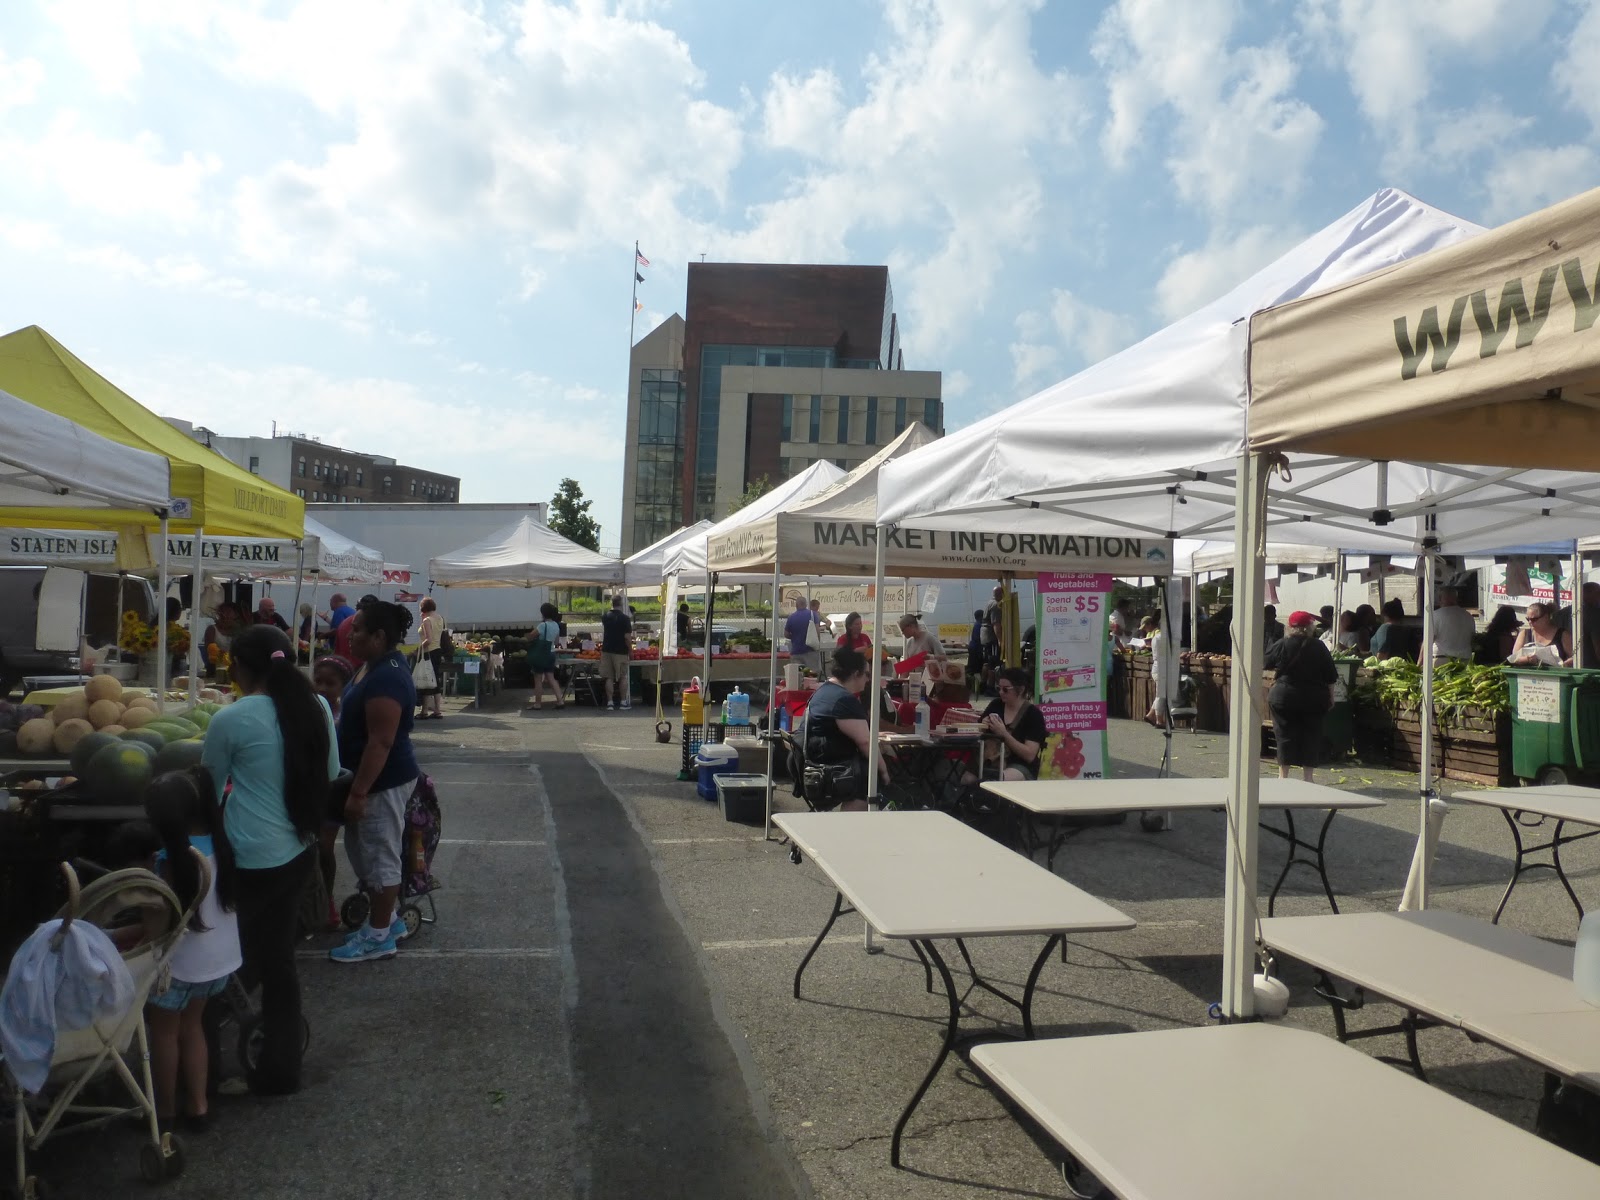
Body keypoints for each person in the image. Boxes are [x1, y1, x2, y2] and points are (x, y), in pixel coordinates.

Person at [199, 624, 337, 1093]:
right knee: (279, 960)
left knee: (216, 962)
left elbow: (207, 790)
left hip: (247, 857)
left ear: (238, 667)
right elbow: (333, 771)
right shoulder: (315, 705)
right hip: (298, 848)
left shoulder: (232, 719)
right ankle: (281, 1070)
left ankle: (202, 1077)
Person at [144, 766, 239, 1133]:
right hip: (217, 960)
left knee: (165, 1033)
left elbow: (157, 925)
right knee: (194, 1027)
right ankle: (198, 1105)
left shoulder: (170, 861)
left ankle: (164, 1111)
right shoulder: (221, 843)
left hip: (178, 966)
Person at [332, 601, 421, 963]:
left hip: (381, 783)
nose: (349, 635)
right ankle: (389, 921)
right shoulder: (372, 666)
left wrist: (358, 792)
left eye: (357, 630)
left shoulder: (386, 677)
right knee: (366, 852)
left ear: (379, 636)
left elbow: (381, 741)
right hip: (371, 780)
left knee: (379, 854)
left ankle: (380, 936)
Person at [801, 647, 888, 811]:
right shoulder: (844, 699)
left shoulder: (824, 691)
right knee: (871, 778)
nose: (868, 680)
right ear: (856, 674)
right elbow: (865, 742)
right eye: (867, 674)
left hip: (811, 763)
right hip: (831, 770)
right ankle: (849, 826)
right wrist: (884, 773)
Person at [1263, 610, 1338, 782]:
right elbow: (1331, 676)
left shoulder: (1282, 643)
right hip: (1313, 698)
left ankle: (1283, 776)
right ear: (1310, 627)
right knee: (1311, 735)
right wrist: (1331, 697)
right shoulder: (1319, 646)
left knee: (1283, 734)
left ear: (1290, 627)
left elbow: (1266, 662)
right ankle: (1308, 778)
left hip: (1284, 696)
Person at [311, 654, 354, 930]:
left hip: (334, 789)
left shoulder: (346, 715)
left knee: (324, 849)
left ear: (344, 686)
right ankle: (310, 904)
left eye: (331, 683)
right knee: (309, 849)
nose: (324, 688)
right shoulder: (308, 710)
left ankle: (327, 904)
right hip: (309, 789)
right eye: (318, 682)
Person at [963, 667, 1047, 785]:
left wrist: (1003, 734)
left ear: (1021, 690)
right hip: (990, 760)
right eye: (998, 688)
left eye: (1005, 689)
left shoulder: (1033, 715)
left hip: (1019, 764)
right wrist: (983, 726)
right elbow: (979, 731)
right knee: (967, 779)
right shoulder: (996, 705)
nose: (1000, 692)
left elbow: (1029, 755)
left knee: (997, 780)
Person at [1421, 585, 1475, 665]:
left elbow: (1428, 641)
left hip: (1441, 660)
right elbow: (1472, 639)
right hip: (1464, 660)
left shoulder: (1435, 615)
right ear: (1456, 599)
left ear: (1440, 599)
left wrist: (1419, 663)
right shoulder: (1468, 616)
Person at [1510, 602, 1573, 667]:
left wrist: (1564, 664)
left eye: (1534, 619)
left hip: (1555, 674)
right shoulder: (1524, 634)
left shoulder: (1562, 635)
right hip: (1528, 675)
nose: (1530, 622)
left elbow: (1575, 657)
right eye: (1528, 619)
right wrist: (1528, 659)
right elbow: (1514, 657)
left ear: (1546, 618)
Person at [528, 602, 564, 711]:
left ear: (543, 613)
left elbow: (531, 636)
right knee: (551, 678)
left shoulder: (543, 625)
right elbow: (557, 641)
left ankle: (538, 704)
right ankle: (560, 701)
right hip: (551, 653)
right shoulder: (556, 625)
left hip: (541, 654)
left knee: (538, 679)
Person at [599, 594, 633, 711]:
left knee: (609, 677)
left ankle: (610, 702)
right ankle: (623, 702)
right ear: (622, 604)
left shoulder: (605, 617)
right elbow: (627, 637)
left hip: (607, 649)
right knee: (623, 676)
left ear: (611, 603)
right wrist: (631, 650)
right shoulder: (625, 619)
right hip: (621, 651)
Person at [415, 597, 445, 720]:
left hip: (429, 652)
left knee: (426, 680)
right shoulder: (439, 618)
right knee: (435, 680)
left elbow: (429, 640)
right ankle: (437, 710)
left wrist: (418, 649)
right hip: (437, 650)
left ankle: (424, 711)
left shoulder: (427, 620)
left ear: (423, 608)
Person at [201, 602, 243, 676]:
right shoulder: (212, 629)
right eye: (222, 611)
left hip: (234, 669)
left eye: (228, 612)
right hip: (215, 669)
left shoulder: (239, 630)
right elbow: (209, 650)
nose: (224, 614)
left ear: (235, 615)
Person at [333, 593, 378, 662]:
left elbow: (337, 646)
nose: (349, 635)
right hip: (357, 664)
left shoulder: (345, 621)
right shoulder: (363, 622)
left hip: (343, 663)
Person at [783, 596, 822, 675]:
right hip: (810, 651)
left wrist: (794, 637)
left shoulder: (791, 617)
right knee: (812, 676)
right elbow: (817, 631)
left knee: (798, 677)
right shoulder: (813, 615)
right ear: (806, 604)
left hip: (796, 652)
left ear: (796, 605)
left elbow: (786, 634)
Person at [1144, 611, 1169, 728]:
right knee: (1161, 695)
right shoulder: (1164, 638)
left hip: (1156, 667)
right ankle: (1159, 720)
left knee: (1160, 693)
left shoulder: (1155, 637)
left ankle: (1150, 715)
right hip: (1162, 668)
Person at [965, 608, 986, 686]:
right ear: (981, 616)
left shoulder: (977, 624)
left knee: (973, 666)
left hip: (973, 647)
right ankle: (973, 684)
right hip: (976, 649)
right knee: (974, 667)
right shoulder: (979, 625)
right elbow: (978, 639)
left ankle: (973, 683)